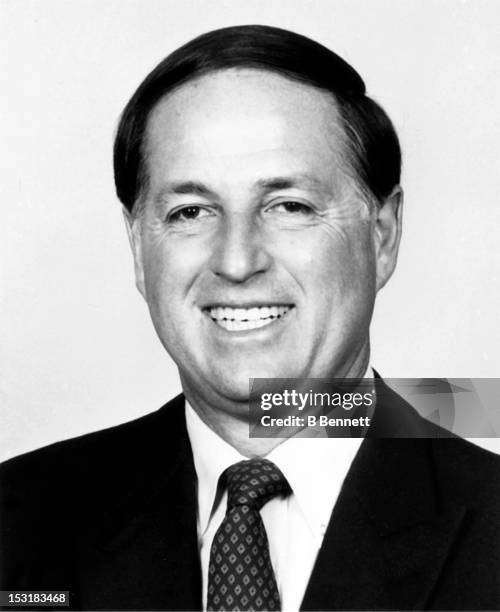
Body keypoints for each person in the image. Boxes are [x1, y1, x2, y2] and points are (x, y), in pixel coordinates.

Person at [1, 25, 499, 612]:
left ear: (382, 236)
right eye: (190, 211)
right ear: (139, 248)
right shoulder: (17, 524)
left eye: (289, 206)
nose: (236, 261)